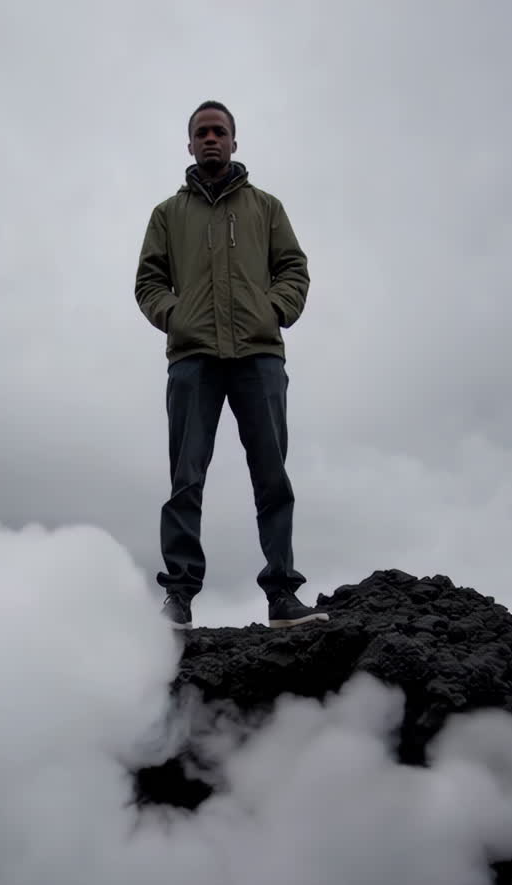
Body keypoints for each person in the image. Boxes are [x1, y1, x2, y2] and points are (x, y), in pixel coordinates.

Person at [135, 100, 329, 632]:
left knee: (272, 478)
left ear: (235, 142)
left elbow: (294, 268)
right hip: (192, 361)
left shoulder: (266, 208)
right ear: (190, 144)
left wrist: (275, 310)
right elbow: (148, 282)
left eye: (220, 131)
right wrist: (175, 316)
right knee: (185, 481)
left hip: (259, 357)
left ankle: (283, 596)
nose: (212, 139)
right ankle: (178, 597)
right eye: (202, 132)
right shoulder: (167, 215)